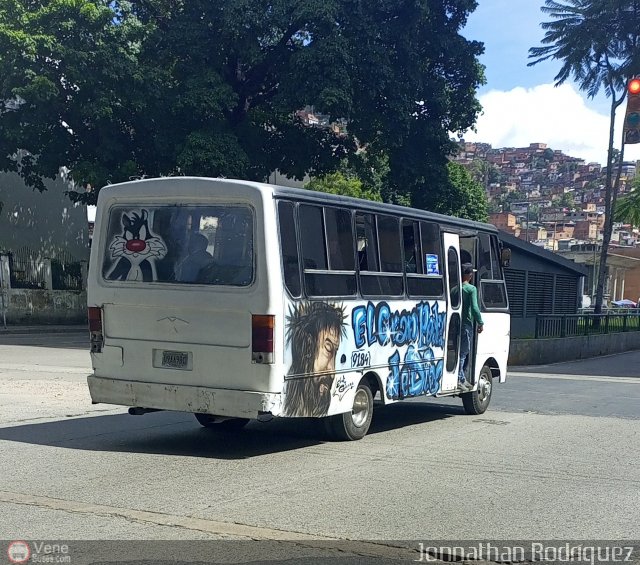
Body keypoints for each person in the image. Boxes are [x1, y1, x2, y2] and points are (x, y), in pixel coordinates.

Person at [458, 263, 484, 392]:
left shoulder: (454, 289)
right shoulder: (471, 289)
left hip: (454, 325)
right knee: (463, 352)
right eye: (471, 273)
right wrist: (480, 322)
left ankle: (462, 379)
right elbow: (474, 308)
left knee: (457, 352)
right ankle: (459, 379)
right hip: (466, 324)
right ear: (469, 275)